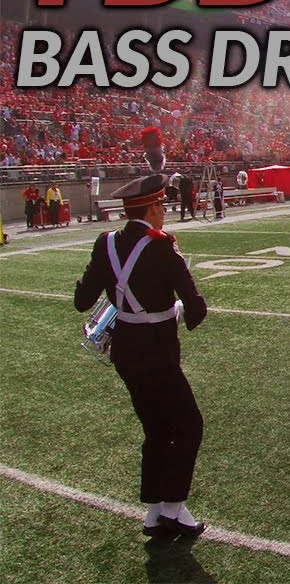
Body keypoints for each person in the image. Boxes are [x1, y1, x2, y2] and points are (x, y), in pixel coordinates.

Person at [73, 173, 209, 539]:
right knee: (189, 425)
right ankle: (174, 509)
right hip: (159, 353)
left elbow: (81, 301)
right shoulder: (163, 247)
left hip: (126, 355)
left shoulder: (105, 244)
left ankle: (153, 512)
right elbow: (197, 311)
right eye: (161, 206)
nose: (163, 212)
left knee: (155, 429)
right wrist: (176, 308)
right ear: (150, 209)